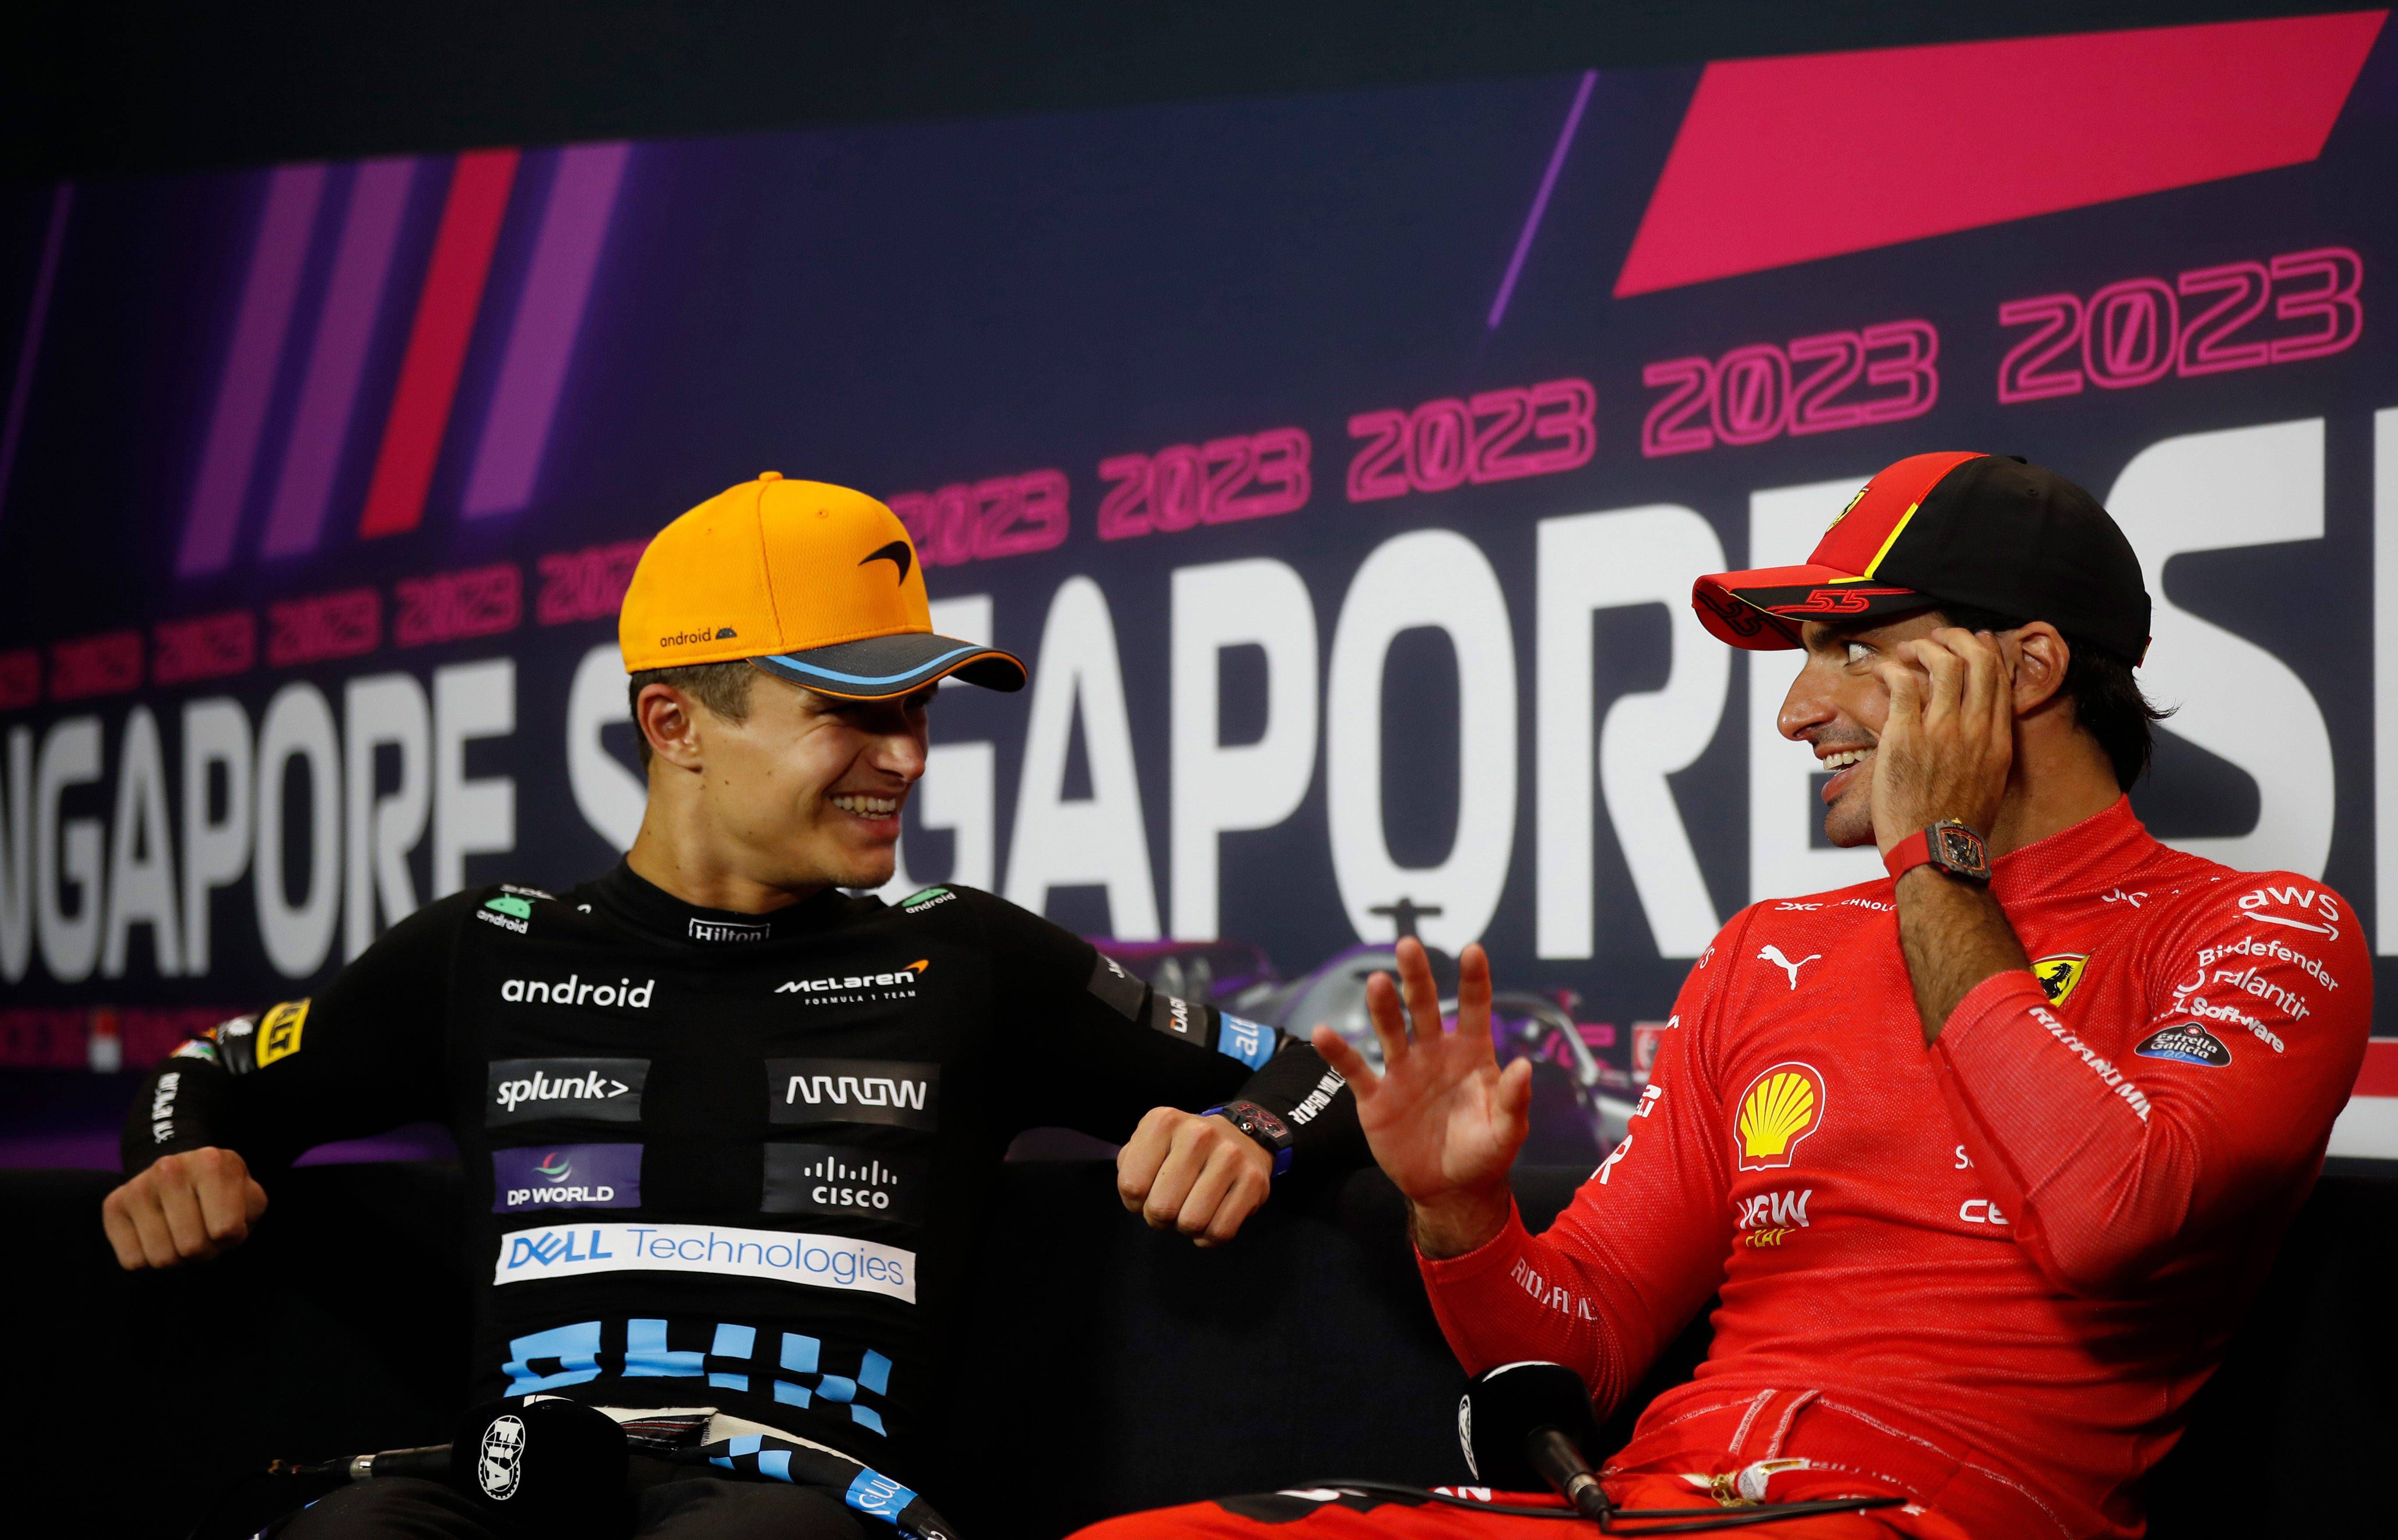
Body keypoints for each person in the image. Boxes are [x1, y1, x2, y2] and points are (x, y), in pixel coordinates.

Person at [1077, 451, 2371, 1539]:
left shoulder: (2261, 931)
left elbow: (2111, 1215)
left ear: (2027, 670)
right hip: (1661, 1508)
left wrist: (1938, 858)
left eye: (1853, 651)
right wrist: (1464, 1217)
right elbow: (1579, 1343)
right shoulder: (1773, 951)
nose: (1799, 712)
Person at [105, 473, 1362, 1539]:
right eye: (853, 713)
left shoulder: (966, 958)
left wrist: (1245, 1133)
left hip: (807, 1508)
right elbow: (205, 1075)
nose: (910, 758)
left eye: (918, 713)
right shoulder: (482, 953)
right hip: (509, 1492)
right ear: (675, 721)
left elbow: (1315, 1072)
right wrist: (178, 1157)